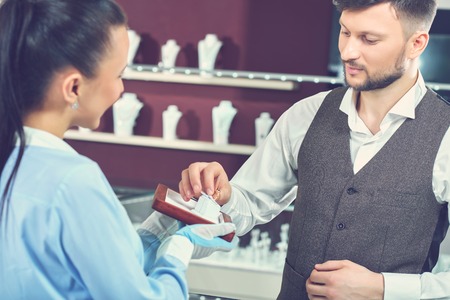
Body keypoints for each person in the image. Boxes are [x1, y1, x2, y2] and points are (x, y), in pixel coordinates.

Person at [179, 0, 450, 299]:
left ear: (416, 43)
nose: (348, 52)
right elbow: (248, 205)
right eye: (345, 32)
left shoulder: (446, 137)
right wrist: (226, 194)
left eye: (369, 39)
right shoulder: (305, 115)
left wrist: (384, 288)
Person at [0, 0, 237, 299]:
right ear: (73, 87)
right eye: (119, 74)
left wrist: (158, 232)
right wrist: (181, 247)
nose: (121, 89)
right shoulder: (74, 181)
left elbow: (87, 270)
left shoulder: (18, 164)